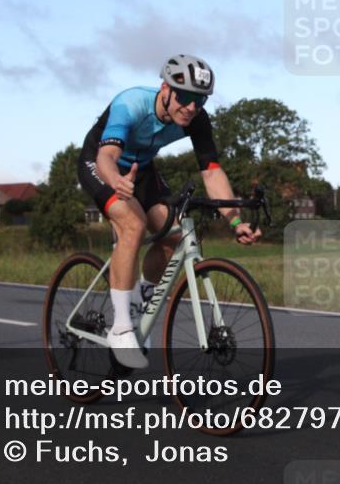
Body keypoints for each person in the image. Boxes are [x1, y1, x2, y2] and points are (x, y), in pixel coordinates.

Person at [77, 55, 261, 368]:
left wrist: (235, 221)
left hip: (142, 170)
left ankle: (140, 305)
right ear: (165, 88)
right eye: (185, 97)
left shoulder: (197, 119)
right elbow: (107, 156)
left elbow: (212, 173)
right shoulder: (131, 103)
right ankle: (121, 328)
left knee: (176, 236)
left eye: (199, 100)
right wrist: (116, 182)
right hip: (102, 165)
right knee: (133, 225)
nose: (190, 107)